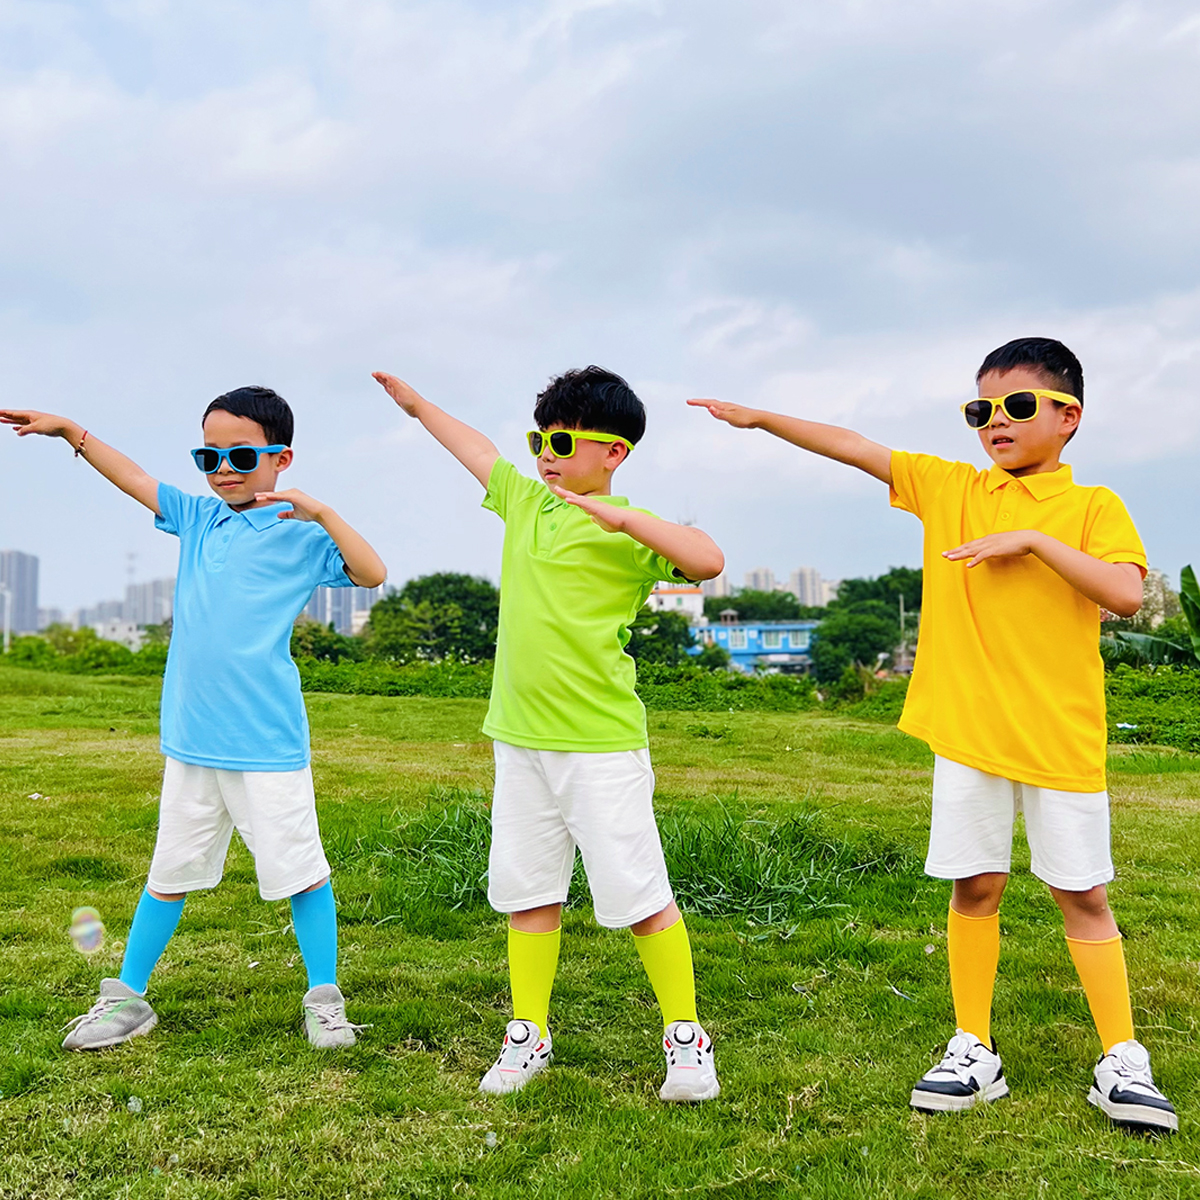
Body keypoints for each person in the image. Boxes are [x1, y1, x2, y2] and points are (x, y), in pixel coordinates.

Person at [689, 337, 1177, 1133]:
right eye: (980, 410)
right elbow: (858, 448)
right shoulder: (952, 488)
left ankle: (1122, 1056)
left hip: (1059, 737)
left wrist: (1033, 542)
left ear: (1069, 417)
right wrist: (760, 419)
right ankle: (971, 1046)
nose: (995, 422)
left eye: (1017, 406)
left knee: (1082, 894)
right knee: (974, 887)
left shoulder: (1093, 507)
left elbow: (1125, 593)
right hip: (968, 733)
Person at [374, 365, 725, 1101]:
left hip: (599, 745)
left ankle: (686, 1038)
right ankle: (527, 1033)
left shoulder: (631, 531)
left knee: (639, 894)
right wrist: (417, 406)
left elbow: (707, 560)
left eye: (562, 440)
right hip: (520, 741)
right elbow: (473, 449)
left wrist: (624, 520)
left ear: (613, 453)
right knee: (530, 891)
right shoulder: (526, 502)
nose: (546, 453)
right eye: (540, 438)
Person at [1, 387, 386, 1050]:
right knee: (168, 872)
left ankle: (324, 999)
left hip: (266, 745)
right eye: (209, 455)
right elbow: (134, 478)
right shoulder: (201, 519)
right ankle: (127, 998)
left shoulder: (301, 535)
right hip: (192, 744)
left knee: (302, 873)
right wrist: (71, 431)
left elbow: (371, 571)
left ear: (280, 458)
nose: (224, 468)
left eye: (240, 454)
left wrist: (320, 509)